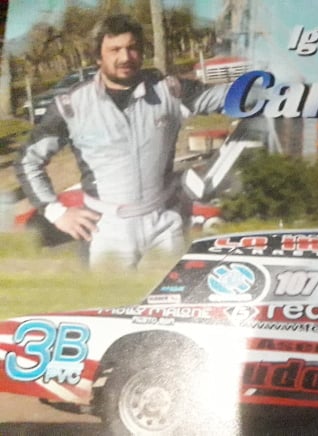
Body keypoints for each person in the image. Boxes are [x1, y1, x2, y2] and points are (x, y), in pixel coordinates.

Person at [15, 14, 232, 269]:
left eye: (132, 48)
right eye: (115, 49)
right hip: (105, 230)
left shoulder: (169, 91)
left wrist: (268, 86)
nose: (125, 57)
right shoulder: (72, 106)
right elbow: (28, 161)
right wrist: (57, 213)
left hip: (165, 225)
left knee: (170, 294)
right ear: (98, 56)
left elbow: (231, 96)